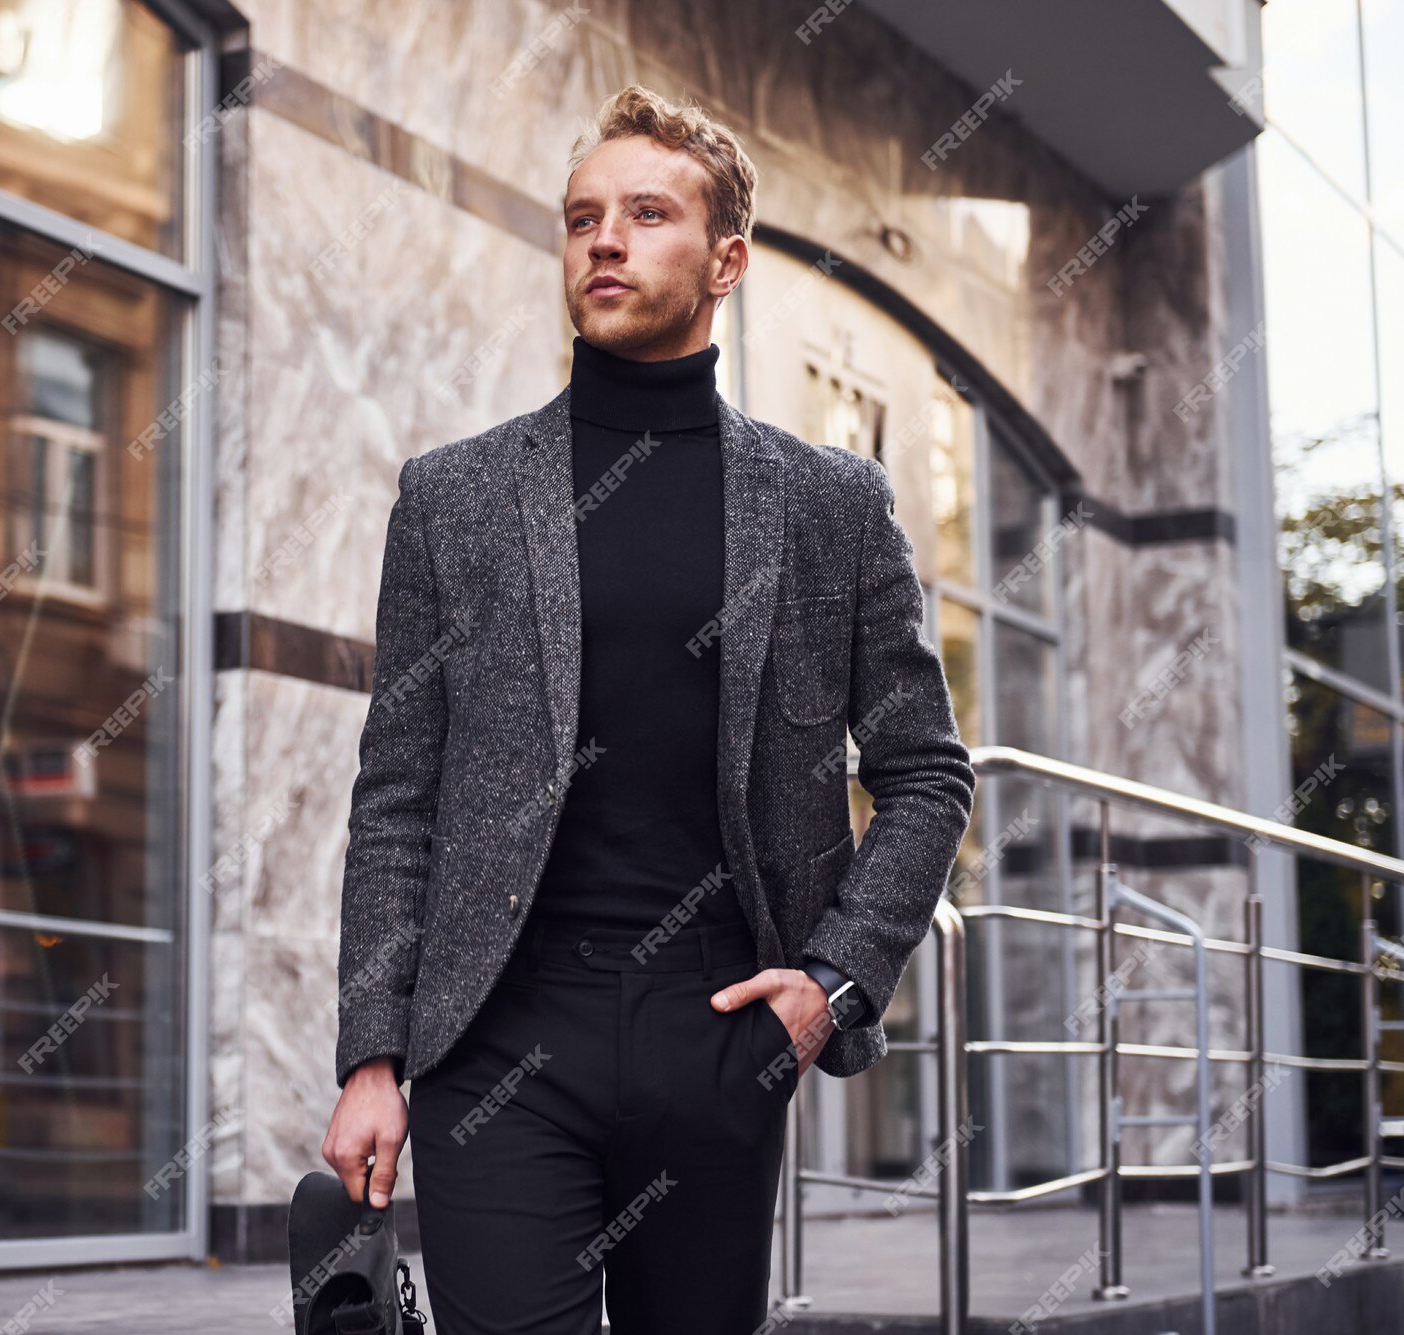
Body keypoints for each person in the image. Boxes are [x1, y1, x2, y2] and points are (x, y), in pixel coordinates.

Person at [321, 83, 977, 1335]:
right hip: (497, 1040)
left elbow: (925, 771)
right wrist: (371, 1056)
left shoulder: (829, 507)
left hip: (718, 1037)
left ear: (725, 259)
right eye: (580, 217)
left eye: (644, 213)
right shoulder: (451, 500)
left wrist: (829, 985)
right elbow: (396, 791)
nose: (602, 240)